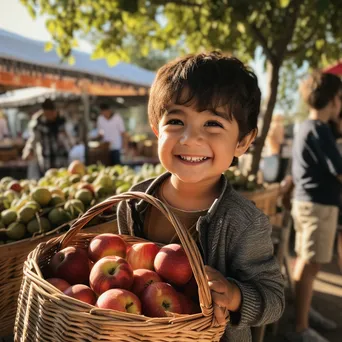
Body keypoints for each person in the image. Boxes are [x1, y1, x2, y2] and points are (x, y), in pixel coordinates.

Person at [116, 52, 285, 342]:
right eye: (176, 121)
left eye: (213, 124)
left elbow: (273, 298)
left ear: (242, 142)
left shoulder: (245, 222)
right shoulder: (134, 204)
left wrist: (235, 296)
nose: (190, 138)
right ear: (157, 130)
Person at [288, 72, 342, 342]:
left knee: (307, 261)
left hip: (307, 203)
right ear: (333, 101)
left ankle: (305, 313)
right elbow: (338, 169)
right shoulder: (320, 129)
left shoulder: (305, 127)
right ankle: (300, 328)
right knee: (310, 264)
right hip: (318, 205)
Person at [22, 99, 72, 175]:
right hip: (46, 160)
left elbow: (70, 137)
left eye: (52, 113)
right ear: (44, 112)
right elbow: (34, 138)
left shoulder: (62, 120)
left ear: (55, 111)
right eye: (47, 114)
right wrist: (29, 149)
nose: (50, 116)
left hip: (62, 158)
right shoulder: (38, 123)